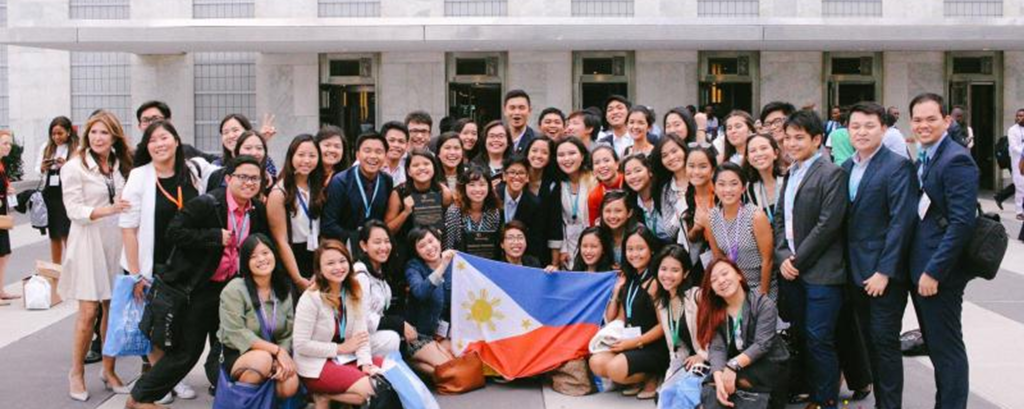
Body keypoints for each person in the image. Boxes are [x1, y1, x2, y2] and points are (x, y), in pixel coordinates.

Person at [127, 155, 269, 408]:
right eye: (243, 177)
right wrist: (213, 236)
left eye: (255, 178)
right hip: (197, 289)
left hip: (230, 289)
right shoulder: (208, 204)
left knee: (224, 348)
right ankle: (139, 397)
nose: (249, 182)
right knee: (186, 352)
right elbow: (174, 232)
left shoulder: (255, 210)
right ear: (228, 179)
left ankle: (230, 399)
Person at [120, 121, 206, 404]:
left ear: (177, 141)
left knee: (179, 324)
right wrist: (136, 275)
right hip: (151, 265)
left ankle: (172, 376)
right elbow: (128, 228)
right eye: (153, 140)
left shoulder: (191, 172)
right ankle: (162, 381)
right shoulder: (139, 176)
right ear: (147, 146)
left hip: (186, 266)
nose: (159, 144)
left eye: (164, 137)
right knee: (156, 327)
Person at [842, 102, 918, 409]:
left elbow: (902, 222)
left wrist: (885, 271)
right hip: (853, 273)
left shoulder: (897, 166)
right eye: (855, 126)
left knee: (885, 344)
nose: (861, 132)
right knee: (868, 344)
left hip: (884, 276)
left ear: (884, 129)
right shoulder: (846, 167)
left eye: (869, 126)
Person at [774, 110, 848, 409]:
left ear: (817, 140)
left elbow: (828, 225)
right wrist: (782, 256)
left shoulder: (832, 173)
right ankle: (810, 390)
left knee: (819, 338)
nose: (791, 143)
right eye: (787, 137)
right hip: (792, 270)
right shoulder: (790, 172)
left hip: (822, 273)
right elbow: (780, 219)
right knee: (803, 335)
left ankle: (825, 400)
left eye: (799, 137)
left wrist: (796, 261)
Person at [908, 93, 978, 409]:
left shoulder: (956, 159)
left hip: (939, 274)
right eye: (917, 120)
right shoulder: (926, 156)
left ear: (947, 121)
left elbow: (962, 223)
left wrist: (934, 271)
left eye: (931, 119)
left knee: (947, 348)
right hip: (921, 267)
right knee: (936, 346)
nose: (923, 125)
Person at [61, 111, 132, 402]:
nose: (98, 138)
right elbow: (73, 210)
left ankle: (108, 369)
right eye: (93, 132)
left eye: (104, 132)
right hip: (87, 241)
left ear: (114, 136)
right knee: (89, 311)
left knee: (112, 309)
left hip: (115, 242)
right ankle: (76, 372)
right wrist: (108, 210)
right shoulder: (74, 167)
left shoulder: (120, 165)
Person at [293, 240, 384, 407]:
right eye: (330, 263)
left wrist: (365, 363)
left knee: (389, 373)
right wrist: (340, 348)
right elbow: (300, 345)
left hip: (344, 358)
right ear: (319, 269)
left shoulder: (353, 290)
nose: (338, 267)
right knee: (373, 389)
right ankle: (322, 395)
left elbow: (361, 335)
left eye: (342, 261)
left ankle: (325, 397)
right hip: (315, 364)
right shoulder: (310, 298)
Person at [216, 234, 299, 399]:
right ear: (245, 263)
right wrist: (276, 351)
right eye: (253, 256)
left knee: (290, 383)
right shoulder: (235, 289)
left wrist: (280, 356)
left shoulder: (284, 289)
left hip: (273, 354)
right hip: (235, 354)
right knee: (262, 361)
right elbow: (236, 332)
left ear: (274, 254)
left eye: (265, 253)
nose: (261, 259)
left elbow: (288, 333)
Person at [698, 258, 789, 409]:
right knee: (711, 384)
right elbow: (717, 348)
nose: (721, 281)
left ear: (739, 275)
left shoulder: (762, 304)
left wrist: (732, 366)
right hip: (738, 365)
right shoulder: (716, 312)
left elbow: (762, 344)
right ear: (712, 289)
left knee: (737, 382)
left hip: (768, 363)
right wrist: (719, 377)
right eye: (714, 280)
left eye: (725, 273)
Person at [589, 225, 667, 400]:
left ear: (651, 250)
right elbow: (616, 318)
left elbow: (663, 327)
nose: (634, 254)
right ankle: (637, 379)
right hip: (630, 343)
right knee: (596, 362)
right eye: (630, 249)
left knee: (615, 368)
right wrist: (617, 291)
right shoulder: (630, 279)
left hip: (652, 346)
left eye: (640, 249)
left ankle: (652, 376)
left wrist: (632, 343)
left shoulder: (654, 282)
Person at [705, 163, 775, 300]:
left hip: (759, 285)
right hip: (731, 285)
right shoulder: (711, 218)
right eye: (721, 184)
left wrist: (762, 298)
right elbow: (718, 259)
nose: (728, 189)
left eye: (734, 184)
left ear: (743, 188)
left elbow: (768, 260)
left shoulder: (755, 216)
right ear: (714, 187)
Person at [267, 135, 326, 292]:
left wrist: (319, 269)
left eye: (312, 155)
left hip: (316, 254)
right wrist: (297, 278)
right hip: (292, 257)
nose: (306, 160)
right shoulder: (279, 192)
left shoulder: (317, 186)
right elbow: (281, 241)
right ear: (291, 156)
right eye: (301, 155)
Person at [322, 132, 393, 253]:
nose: (373, 156)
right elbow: (328, 224)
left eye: (378, 152)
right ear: (357, 155)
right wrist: (357, 238)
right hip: (344, 247)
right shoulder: (340, 181)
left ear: (386, 156)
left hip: (375, 249)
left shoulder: (386, 180)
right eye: (367, 151)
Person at [384, 148, 454, 269]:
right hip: (406, 253)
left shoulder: (443, 192)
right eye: (416, 165)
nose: (421, 168)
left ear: (434, 167)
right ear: (409, 171)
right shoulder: (399, 193)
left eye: (426, 164)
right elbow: (388, 230)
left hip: (435, 250)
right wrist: (405, 212)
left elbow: (451, 221)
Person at [653, 245, 707, 399]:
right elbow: (676, 349)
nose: (667, 275)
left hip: (710, 358)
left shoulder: (697, 296)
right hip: (688, 362)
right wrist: (671, 377)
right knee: (665, 396)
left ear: (686, 273)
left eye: (675, 270)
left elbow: (719, 333)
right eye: (663, 269)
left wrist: (702, 355)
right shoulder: (662, 304)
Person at [404, 227, 457, 375]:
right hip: (420, 336)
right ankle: (409, 363)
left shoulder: (454, 263)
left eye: (431, 241)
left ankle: (422, 368)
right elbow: (421, 292)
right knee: (448, 370)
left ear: (439, 240)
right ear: (416, 251)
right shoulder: (413, 267)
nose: (429, 247)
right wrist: (442, 266)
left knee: (457, 365)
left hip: (445, 334)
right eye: (422, 246)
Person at [352, 221, 405, 356]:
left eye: (387, 241)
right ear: (364, 245)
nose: (383, 247)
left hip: (371, 333)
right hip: (356, 337)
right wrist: (399, 324)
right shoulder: (360, 274)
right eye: (377, 242)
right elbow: (364, 318)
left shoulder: (380, 270)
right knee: (391, 338)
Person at [497, 155, 554, 267]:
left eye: (521, 173)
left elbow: (536, 240)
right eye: (512, 172)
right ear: (504, 176)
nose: (516, 176)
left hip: (521, 260)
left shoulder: (535, 204)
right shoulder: (494, 196)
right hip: (495, 258)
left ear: (527, 177)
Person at [35, 116, 78, 265]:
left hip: (67, 193)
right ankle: (56, 267)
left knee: (67, 232)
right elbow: (37, 169)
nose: (56, 137)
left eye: (60, 133)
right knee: (54, 234)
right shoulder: (46, 147)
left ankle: (72, 267)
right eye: (53, 134)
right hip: (50, 194)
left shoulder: (75, 148)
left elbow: (80, 172)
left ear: (68, 132)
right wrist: (43, 167)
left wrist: (66, 165)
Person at [443, 165, 503, 259]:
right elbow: (448, 247)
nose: (477, 189)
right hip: (459, 262)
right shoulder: (454, 212)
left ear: (489, 187)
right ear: (464, 187)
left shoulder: (493, 212)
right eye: (472, 185)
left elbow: (494, 245)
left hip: (485, 260)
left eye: (482, 184)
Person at [554, 137, 597, 269]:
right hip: (569, 245)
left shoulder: (594, 180)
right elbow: (558, 220)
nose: (566, 159)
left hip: (593, 241)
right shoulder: (558, 184)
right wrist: (563, 248)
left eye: (572, 153)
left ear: (582, 156)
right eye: (561, 155)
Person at [133, 100, 216, 164]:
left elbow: (216, 161)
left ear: (168, 122)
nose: (151, 124)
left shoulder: (185, 151)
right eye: (145, 120)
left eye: (156, 119)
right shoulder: (133, 157)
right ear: (139, 126)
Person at [622, 154, 679, 243]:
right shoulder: (631, 202)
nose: (633, 176)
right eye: (628, 173)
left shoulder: (666, 193)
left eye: (638, 171)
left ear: (650, 172)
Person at [681, 146, 718, 275]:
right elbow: (690, 238)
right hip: (702, 258)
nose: (696, 172)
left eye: (703, 166)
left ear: (713, 170)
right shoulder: (684, 200)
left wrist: (708, 223)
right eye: (691, 166)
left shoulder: (723, 194)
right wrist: (697, 228)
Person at [207, 131, 275, 196]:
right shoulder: (220, 177)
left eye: (259, 148)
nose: (254, 153)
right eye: (248, 148)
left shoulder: (269, 180)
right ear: (237, 151)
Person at [213, 113, 279, 177]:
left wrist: (258, 141)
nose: (231, 136)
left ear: (247, 131)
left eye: (235, 130)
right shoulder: (217, 166)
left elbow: (269, 180)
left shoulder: (263, 159)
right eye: (226, 132)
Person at [652, 133, 690, 228]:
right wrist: (681, 204)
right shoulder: (667, 189)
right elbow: (669, 230)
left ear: (683, 149)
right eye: (665, 155)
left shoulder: (699, 176)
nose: (671, 158)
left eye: (674, 151)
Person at [744, 134, 783, 224]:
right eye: (753, 151)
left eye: (763, 148)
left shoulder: (789, 180)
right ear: (748, 159)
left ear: (775, 153)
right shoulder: (750, 188)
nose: (759, 154)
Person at [588, 144, 623, 226]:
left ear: (617, 164)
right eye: (597, 163)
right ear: (593, 170)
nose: (602, 166)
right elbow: (594, 227)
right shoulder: (594, 196)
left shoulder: (629, 182)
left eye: (606, 160)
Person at [598, 191, 635, 267]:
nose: (612, 216)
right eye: (608, 211)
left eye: (618, 211)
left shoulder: (638, 234)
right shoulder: (598, 234)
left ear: (629, 213)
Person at [0, 131, 16, 305]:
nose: (8, 146)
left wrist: (7, 190)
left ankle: (1, 290)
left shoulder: (2, 165)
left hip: (2, 214)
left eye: (9, 143)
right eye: (5, 143)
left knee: (4, 253)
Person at [1000, 108, 1024, 219]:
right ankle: (1019, 212)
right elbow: (1014, 147)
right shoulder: (1012, 130)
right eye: (1018, 115)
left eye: (1021, 116)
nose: (1019, 118)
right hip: (1018, 163)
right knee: (1020, 187)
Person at [759, 102, 796, 167]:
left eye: (777, 121)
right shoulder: (767, 156)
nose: (773, 127)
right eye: (767, 124)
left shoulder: (802, 150)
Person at [504, 89, 537, 154]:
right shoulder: (497, 140)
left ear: (529, 111)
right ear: (505, 111)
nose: (517, 112)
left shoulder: (536, 140)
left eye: (521, 108)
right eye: (512, 108)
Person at [379, 121, 409, 187]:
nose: (396, 145)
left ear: (407, 146)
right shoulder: (369, 167)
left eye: (401, 141)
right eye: (391, 140)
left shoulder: (407, 173)